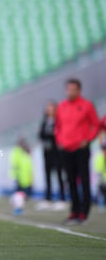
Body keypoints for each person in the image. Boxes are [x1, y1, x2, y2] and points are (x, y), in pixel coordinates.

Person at [55, 78, 99, 225]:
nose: (70, 92)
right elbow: (58, 127)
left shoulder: (87, 105)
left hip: (81, 149)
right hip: (66, 149)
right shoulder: (61, 106)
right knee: (71, 181)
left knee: (84, 181)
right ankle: (74, 211)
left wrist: (88, 139)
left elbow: (96, 124)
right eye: (68, 89)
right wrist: (59, 140)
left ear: (79, 90)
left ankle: (84, 213)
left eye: (73, 89)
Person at [37, 100, 67, 211]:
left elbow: (59, 135)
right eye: (47, 107)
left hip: (57, 153)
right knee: (47, 176)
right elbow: (41, 135)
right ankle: (48, 199)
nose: (48, 110)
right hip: (47, 152)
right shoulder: (45, 121)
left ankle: (62, 199)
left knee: (59, 176)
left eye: (51, 107)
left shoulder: (58, 121)